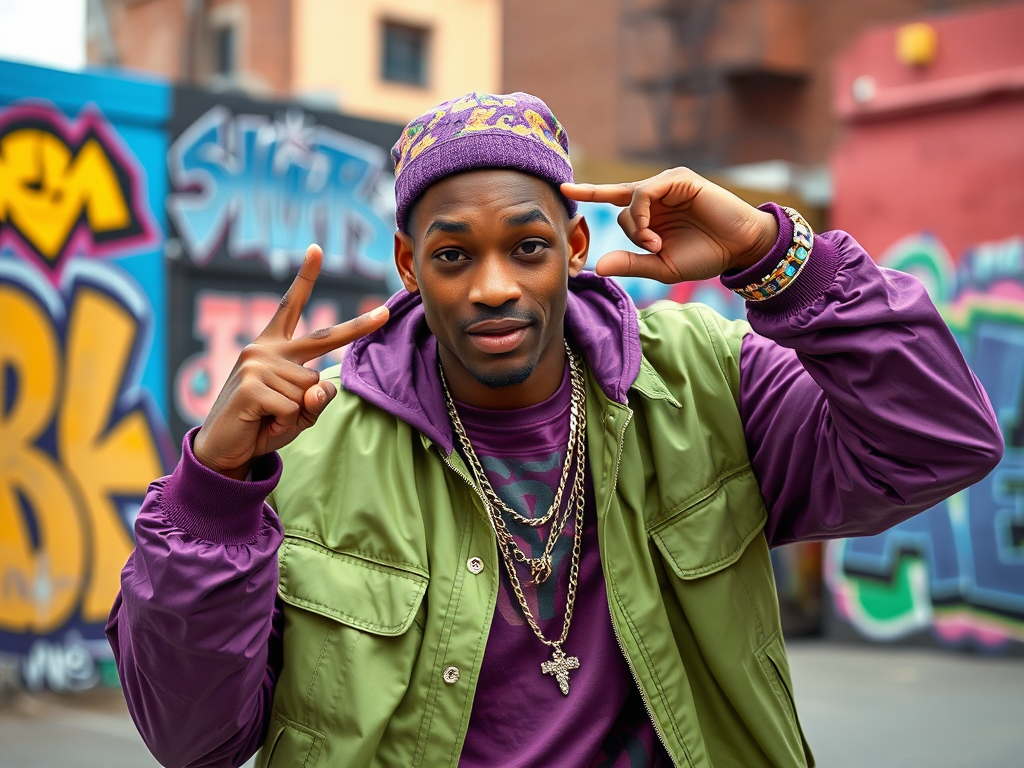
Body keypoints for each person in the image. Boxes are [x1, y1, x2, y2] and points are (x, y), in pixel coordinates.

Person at [107, 92, 1003, 768]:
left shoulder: (704, 382)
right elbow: (195, 742)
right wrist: (211, 498)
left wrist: (780, 262)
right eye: (454, 255)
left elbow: (940, 440)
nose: (493, 285)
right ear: (410, 267)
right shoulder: (305, 442)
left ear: (574, 249)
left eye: (527, 247)